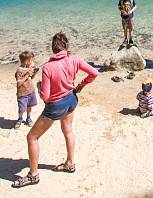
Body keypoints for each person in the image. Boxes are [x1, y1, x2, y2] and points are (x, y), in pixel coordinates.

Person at [12, 32, 99, 189]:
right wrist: (81, 84)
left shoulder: (48, 67)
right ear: (66, 46)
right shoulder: (75, 59)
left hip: (55, 106)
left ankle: (33, 175)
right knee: (68, 131)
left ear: (53, 48)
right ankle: (70, 164)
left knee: (32, 137)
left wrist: (39, 87)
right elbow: (94, 73)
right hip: (72, 100)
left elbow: (45, 96)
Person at [14, 51, 39, 129]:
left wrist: (35, 73)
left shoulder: (29, 68)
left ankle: (28, 118)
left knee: (29, 106)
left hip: (30, 91)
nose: (32, 62)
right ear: (26, 61)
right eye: (31, 60)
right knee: (22, 108)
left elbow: (31, 78)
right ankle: (20, 119)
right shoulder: (19, 71)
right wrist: (27, 75)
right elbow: (18, 84)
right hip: (22, 93)